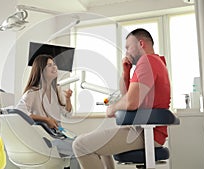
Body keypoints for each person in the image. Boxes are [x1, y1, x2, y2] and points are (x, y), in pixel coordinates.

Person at [72, 28, 171, 169]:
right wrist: (126, 73)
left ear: (140, 44)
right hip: (145, 131)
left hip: (147, 133)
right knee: (97, 144)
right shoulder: (155, 62)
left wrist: (113, 108)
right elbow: (128, 96)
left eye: (128, 47)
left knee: (80, 145)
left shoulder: (147, 61)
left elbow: (131, 102)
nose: (126, 52)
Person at [15, 54, 80, 169]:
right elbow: (18, 113)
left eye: (54, 64)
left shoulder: (57, 90)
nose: (54, 67)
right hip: (45, 139)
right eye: (50, 65)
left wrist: (68, 99)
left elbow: (67, 113)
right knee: (79, 147)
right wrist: (46, 119)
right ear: (41, 71)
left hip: (58, 135)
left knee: (81, 142)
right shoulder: (32, 93)